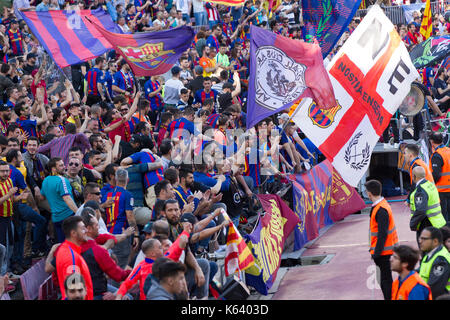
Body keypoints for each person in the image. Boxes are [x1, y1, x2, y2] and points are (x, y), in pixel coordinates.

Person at [115, 230, 190, 300]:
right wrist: (119, 296)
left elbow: (174, 249)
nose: (163, 249)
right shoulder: (146, 265)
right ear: (153, 253)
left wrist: (185, 232)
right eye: (160, 247)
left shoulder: (161, 261)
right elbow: (127, 283)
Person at [79, 208, 131, 300]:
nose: (99, 228)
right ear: (88, 228)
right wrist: (135, 272)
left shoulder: (68, 247)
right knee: (128, 297)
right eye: (96, 225)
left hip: (74, 294)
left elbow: (50, 269)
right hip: (96, 294)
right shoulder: (97, 250)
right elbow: (118, 275)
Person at [365, 179, 399, 300]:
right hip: (384, 250)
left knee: (385, 280)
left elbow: (382, 234)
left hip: (384, 252)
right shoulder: (380, 206)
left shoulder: (381, 209)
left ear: (369, 194)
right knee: (384, 279)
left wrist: (377, 253)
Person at [101, 168, 139, 269]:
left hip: (108, 233)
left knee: (110, 263)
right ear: (128, 180)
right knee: (120, 265)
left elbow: (102, 213)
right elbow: (130, 215)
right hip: (121, 233)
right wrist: (136, 234)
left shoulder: (106, 195)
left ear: (116, 179)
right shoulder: (127, 195)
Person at [53, 215, 93, 300]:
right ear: (73, 233)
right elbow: (75, 294)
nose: (86, 230)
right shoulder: (71, 257)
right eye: (82, 228)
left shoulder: (65, 249)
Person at [41, 157, 78, 243]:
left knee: (62, 246)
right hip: (68, 217)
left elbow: (41, 198)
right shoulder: (62, 180)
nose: (64, 167)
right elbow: (67, 198)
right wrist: (78, 212)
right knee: (73, 245)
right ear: (53, 168)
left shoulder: (45, 180)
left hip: (56, 219)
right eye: (61, 165)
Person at [409, 166, 447, 244]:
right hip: (437, 222)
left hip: (426, 224)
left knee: (426, 251)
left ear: (414, 176)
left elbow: (421, 210)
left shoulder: (420, 190)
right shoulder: (430, 185)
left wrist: (413, 223)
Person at [418, 227, 450, 299]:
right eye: (420, 238)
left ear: (435, 241)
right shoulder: (430, 254)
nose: (420, 241)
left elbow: (435, 289)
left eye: (424, 239)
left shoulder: (441, 260)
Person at [429, 132, 450, 223]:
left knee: (444, 217)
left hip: (442, 191)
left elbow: (436, 175)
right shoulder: (448, 150)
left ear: (432, 142)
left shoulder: (437, 155)